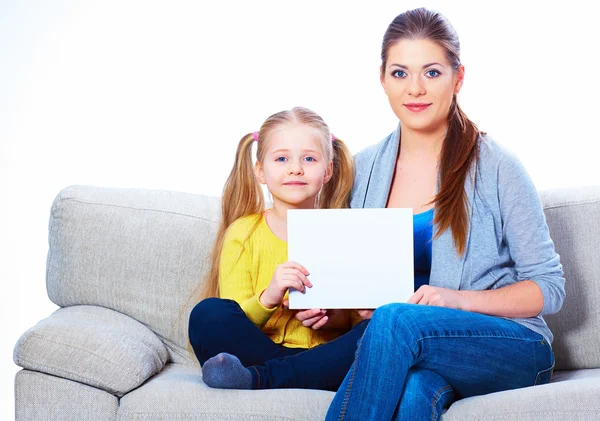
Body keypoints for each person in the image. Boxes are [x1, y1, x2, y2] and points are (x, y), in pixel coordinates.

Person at [325, 8, 565, 421]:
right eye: (400, 73)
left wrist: (455, 300)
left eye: (431, 72)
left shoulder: (497, 167)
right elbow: (365, 292)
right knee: (416, 390)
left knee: (397, 319)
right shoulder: (361, 170)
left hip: (515, 347)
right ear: (381, 79)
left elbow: (550, 288)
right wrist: (343, 307)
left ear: (458, 77)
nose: (415, 88)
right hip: (421, 349)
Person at [187, 106, 369, 391]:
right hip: (260, 350)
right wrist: (268, 298)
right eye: (282, 158)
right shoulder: (243, 233)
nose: (295, 168)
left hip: (325, 357)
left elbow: (357, 319)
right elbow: (234, 317)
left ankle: (261, 378)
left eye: (309, 158)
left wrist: (333, 318)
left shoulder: (343, 231)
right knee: (208, 314)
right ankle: (286, 374)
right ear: (260, 171)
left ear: (328, 170)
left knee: (381, 328)